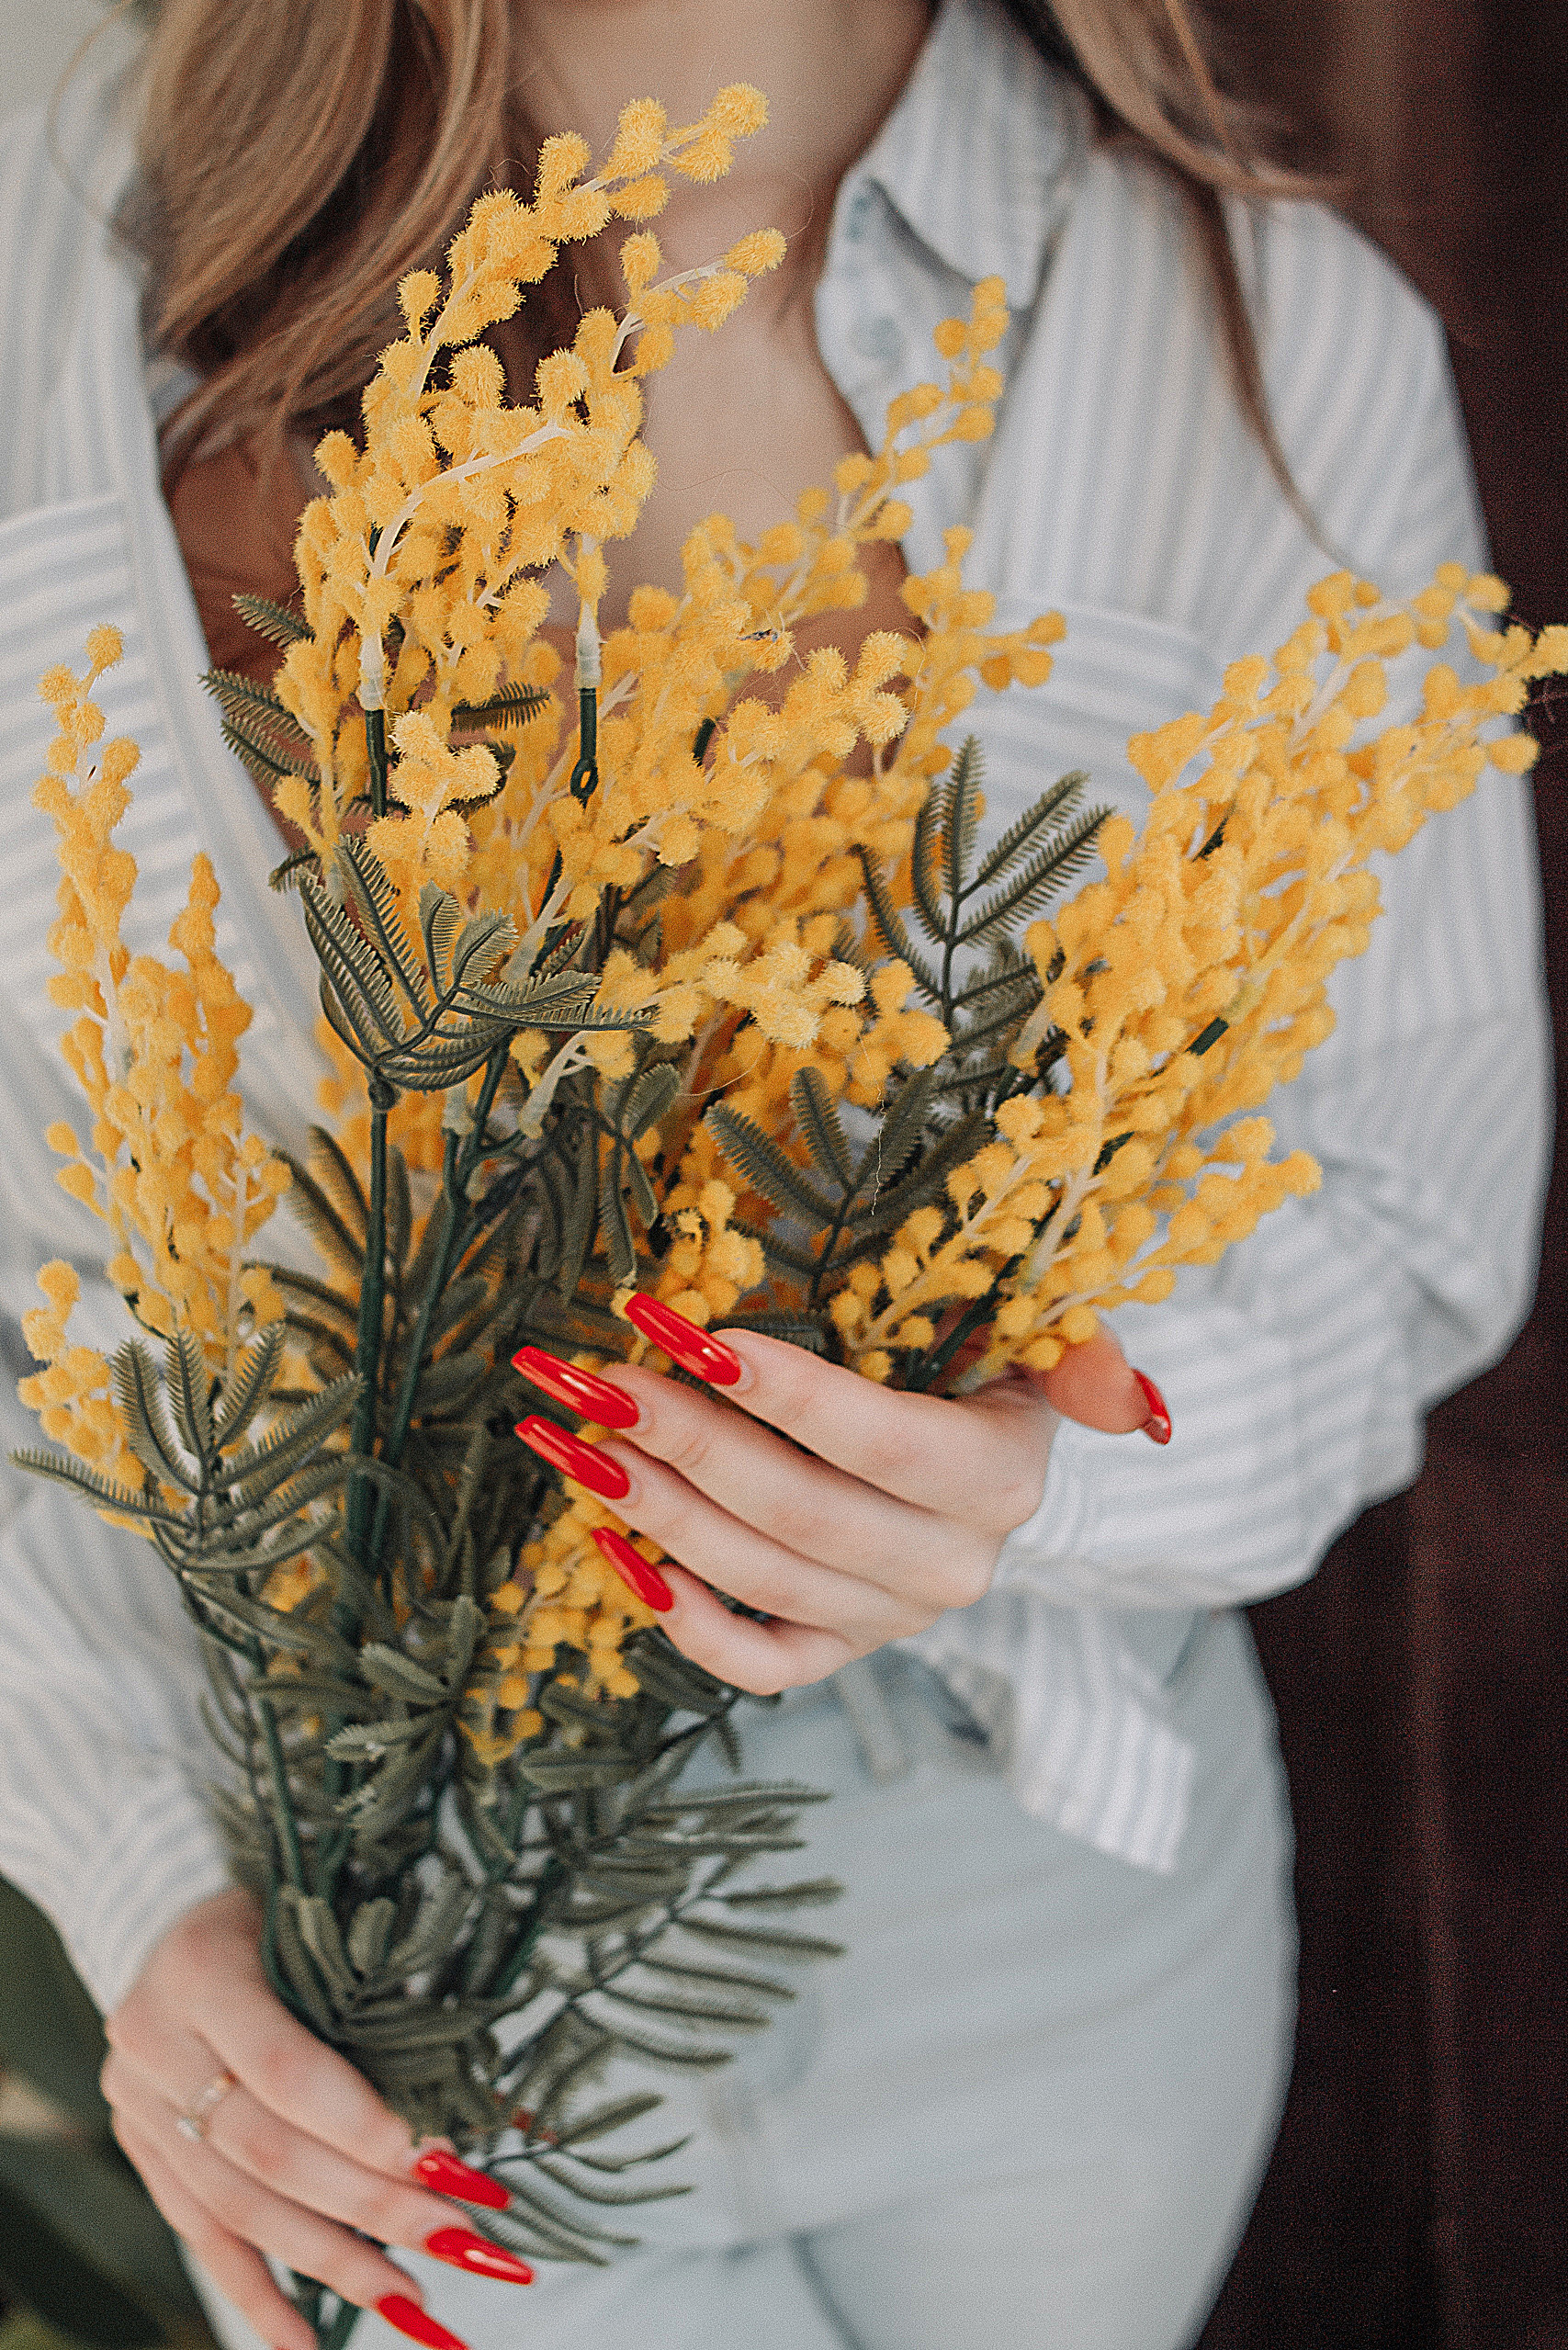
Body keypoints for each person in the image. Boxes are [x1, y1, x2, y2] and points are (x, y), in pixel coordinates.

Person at [0, 2, 1549, 2346]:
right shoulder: (49, 226)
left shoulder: (1266, 327)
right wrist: (141, 1872)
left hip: (1037, 1903)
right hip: (368, 1963)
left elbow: (1414, 1203)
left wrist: (1041, 1483)